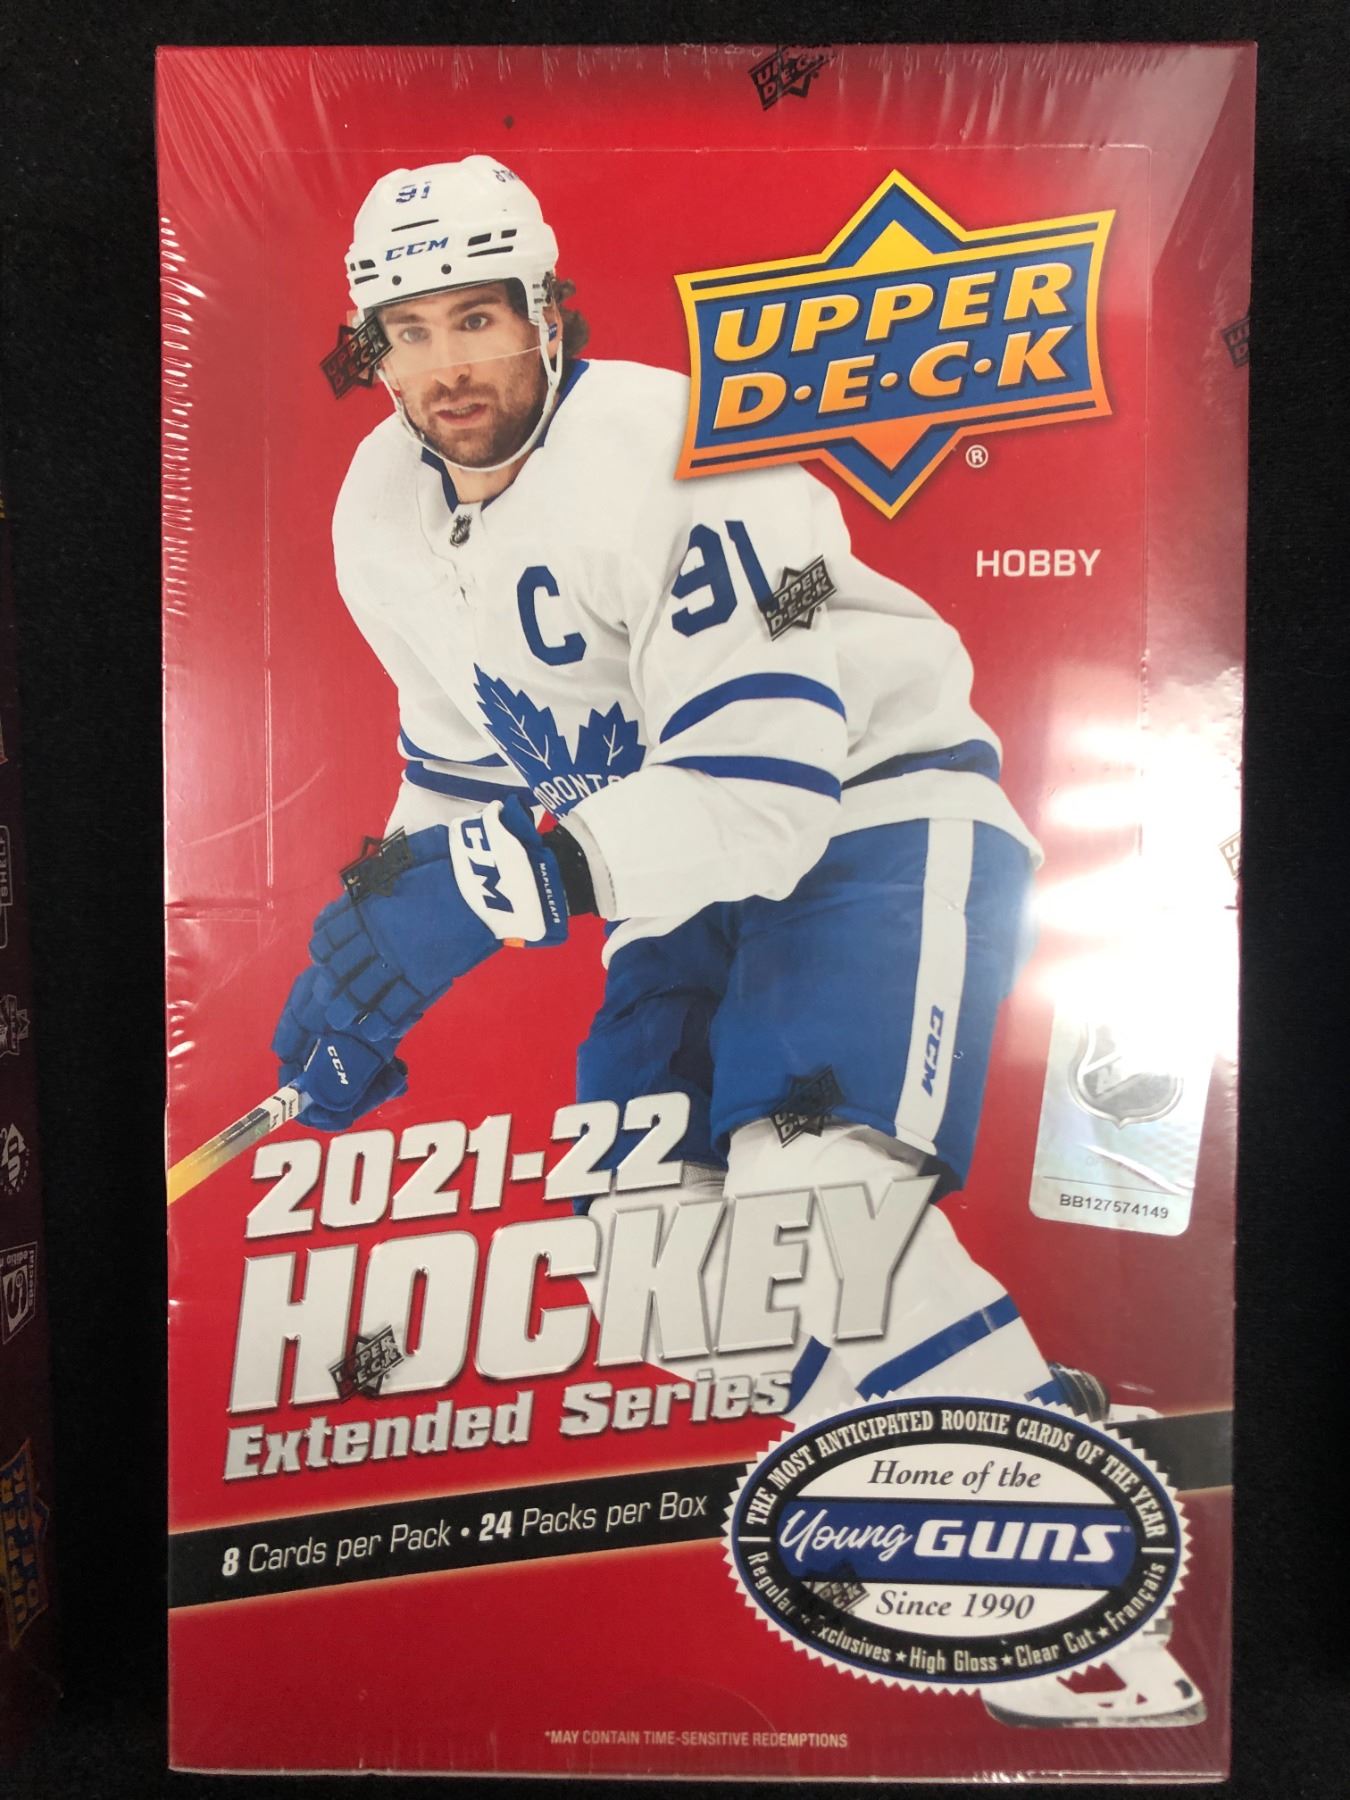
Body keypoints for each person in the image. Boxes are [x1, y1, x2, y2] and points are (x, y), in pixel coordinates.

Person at [273, 156, 1202, 1729]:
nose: (446, 366)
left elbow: (764, 791)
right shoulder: (381, 503)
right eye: (408, 331)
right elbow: (461, 773)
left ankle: (1066, 1587)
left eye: (478, 318)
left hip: (869, 824)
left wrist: (483, 897)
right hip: (664, 877)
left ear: (547, 313)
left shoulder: (681, 450)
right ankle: (1003, 1410)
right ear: (372, 348)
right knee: (661, 1270)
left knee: (812, 1208)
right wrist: (365, 946)